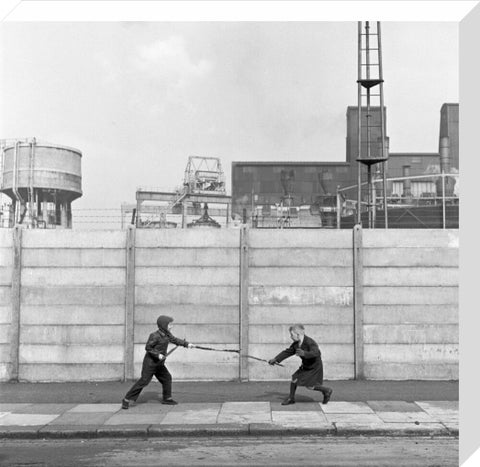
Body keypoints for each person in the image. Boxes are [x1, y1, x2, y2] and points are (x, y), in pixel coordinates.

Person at [121, 315, 194, 409]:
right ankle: (126, 399)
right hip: (150, 363)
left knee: (167, 377)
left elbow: (175, 340)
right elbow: (148, 347)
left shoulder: (167, 334)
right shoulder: (154, 335)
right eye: (170, 324)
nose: (172, 326)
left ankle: (167, 399)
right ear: (164, 325)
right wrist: (158, 355)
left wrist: (187, 344)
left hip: (159, 364)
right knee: (144, 381)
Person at [268, 323, 333, 405]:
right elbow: (288, 352)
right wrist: (276, 359)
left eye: (292, 335)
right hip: (305, 366)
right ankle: (291, 398)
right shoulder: (296, 344)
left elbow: (316, 353)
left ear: (298, 335)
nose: (290, 337)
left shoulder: (310, 342)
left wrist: (305, 353)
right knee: (294, 379)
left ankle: (327, 390)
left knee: (310, 386)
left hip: (314, 367)